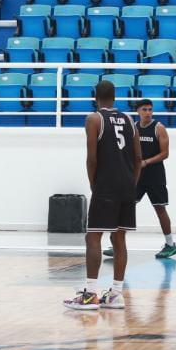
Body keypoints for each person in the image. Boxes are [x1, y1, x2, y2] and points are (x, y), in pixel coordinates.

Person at [66, 80, 142, 310]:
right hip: (127, 184)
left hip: (106, 185)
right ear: (115, 96)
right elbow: (138, 158)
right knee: (119, 239)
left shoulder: (94, 119)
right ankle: (116, 294)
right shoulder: (130, 119)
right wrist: (132, 182)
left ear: (95, 97)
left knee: (93, 237)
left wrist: (93, 184)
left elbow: (92, 157)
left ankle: (90, 293)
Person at [103, 99, 176, 260]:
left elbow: (165, 153)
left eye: (150, 109)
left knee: (160, 209)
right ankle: (117, 244)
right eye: (145, 109)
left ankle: (170, 244)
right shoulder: (133, 128)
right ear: (138, 111)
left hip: (155, 175)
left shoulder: (159, 128)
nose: (148, 112)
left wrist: (146, 162)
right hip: (136, 175)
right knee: (126, 207)